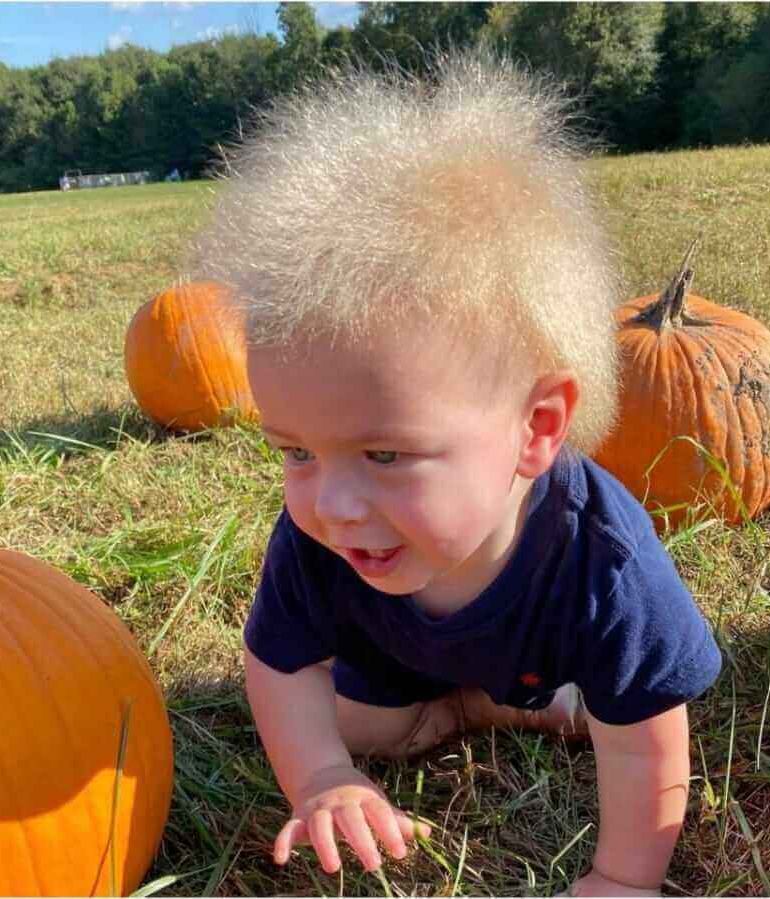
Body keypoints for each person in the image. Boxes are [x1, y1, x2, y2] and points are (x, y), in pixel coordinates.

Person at [192, 52, 720, 898]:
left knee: (609, 710)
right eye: (295, 450)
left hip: (543, 658)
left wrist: (624, 877)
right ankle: (478, 704)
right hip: (396, 671)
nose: (331, 503)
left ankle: (523, 696)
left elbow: (648, 737)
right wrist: (322, 774)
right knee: (352, 724)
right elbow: (280, 663)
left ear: (536, 428)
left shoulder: (605, 562)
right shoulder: (318, 533)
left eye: (385, 454)